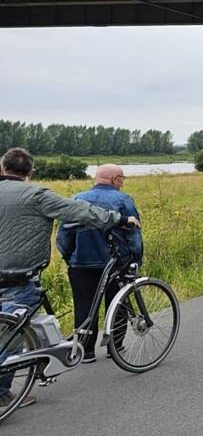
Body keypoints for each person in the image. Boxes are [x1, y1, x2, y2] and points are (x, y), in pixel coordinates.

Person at [0, 148, 139, 410]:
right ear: (30, 171)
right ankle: (1, 393)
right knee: (11, 335)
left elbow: (66, 235)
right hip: (16, 277)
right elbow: (81, 212)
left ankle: (50, 356)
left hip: (73, 266)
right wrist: (121, 220)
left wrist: (69, 256)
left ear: (2, 168)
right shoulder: (36, 195)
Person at [56, 165, 143, 363]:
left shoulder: (78, 198)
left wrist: (69, 257)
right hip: (115, 262)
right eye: (122, 178)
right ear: (114, 179)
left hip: (81, 262)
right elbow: (133, 234)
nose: (122, 182)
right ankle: (115, 347)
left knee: (84, 306)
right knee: (118, 303)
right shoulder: (123, 200)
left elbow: (64, 234)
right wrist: (135, 259)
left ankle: (86, 351)